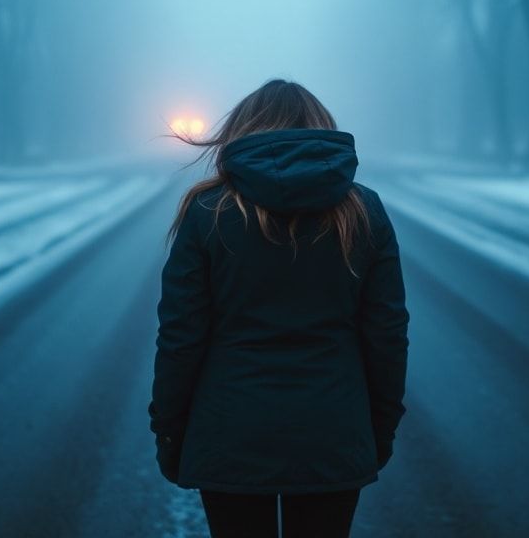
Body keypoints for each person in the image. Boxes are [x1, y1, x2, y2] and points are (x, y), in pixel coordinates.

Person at [148, 78, 410, 538]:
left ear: (242, 131)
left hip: (230, 432)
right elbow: (387, 334)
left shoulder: (208, 211)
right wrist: (381, 426)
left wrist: (169, 429)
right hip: (333, 430)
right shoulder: (363, 211)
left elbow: (180, 338)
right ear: (322, 130)